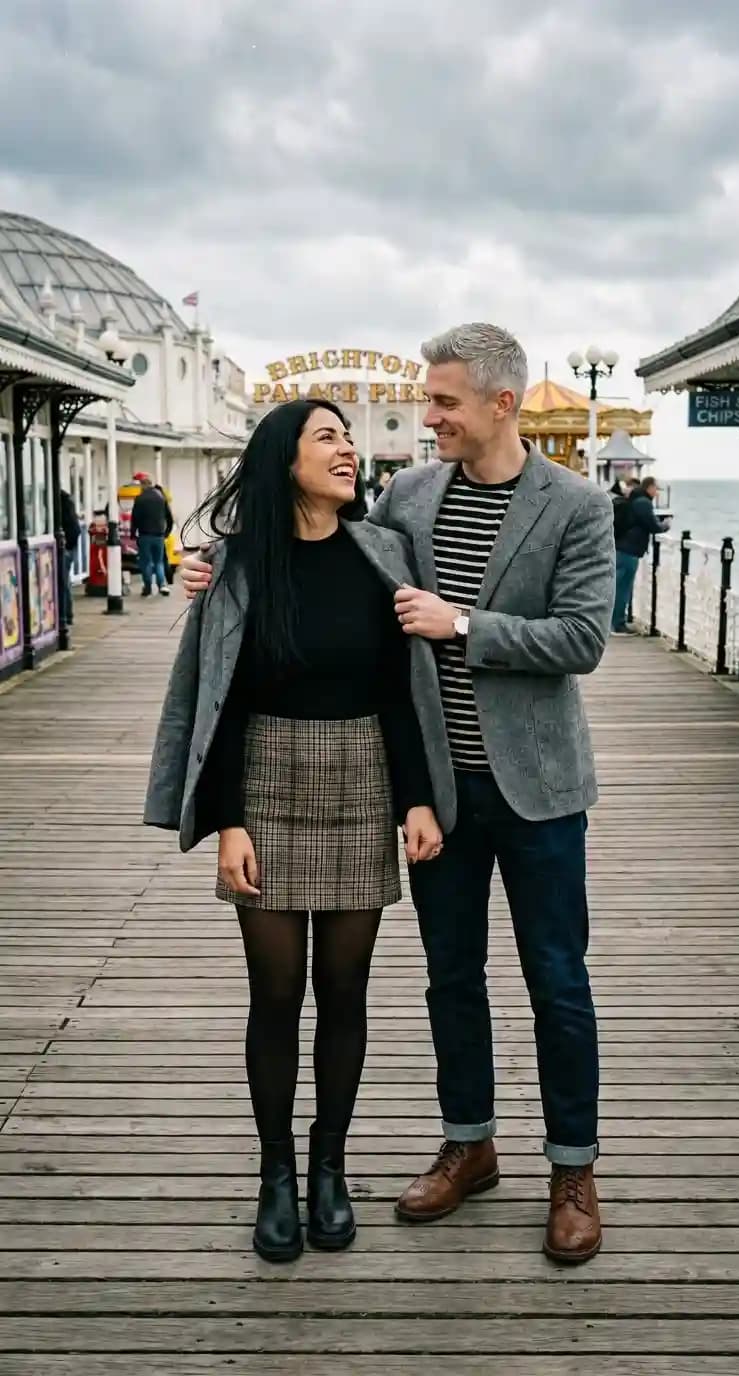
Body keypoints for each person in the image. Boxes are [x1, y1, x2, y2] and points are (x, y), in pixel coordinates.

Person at [180, 323, 615, 1264]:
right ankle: (469, 1144)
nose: (428, 419)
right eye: (427, 401)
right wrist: (212, 571)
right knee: (449, 976)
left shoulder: (577, 505)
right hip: (432, 789)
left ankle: (573, 1169)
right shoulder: (411, 497)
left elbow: (583, 638)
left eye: (445, 402)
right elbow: (315, 554)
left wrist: (462, 621)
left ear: (502, 403)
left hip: (537, 785)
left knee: (558, 980)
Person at [144, 400, 443, 1264]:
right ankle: (275, 1172)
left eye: (349, 439)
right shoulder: (237, 565)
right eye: (328, 438)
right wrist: (229, 820)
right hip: (266, 779)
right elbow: (223, 697)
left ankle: (328, 1168)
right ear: (286, 461)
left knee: (345, 991)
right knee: (276, 993)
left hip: (363, 778)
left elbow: (402, 689)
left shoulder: (383, 552)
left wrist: (418, 800)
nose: (349, 449)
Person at [612, 475, 669, 633]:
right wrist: (665, 525)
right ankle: (618, 623)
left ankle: (615, 621)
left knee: (619, 586)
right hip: (629, 551)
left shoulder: (635, 500)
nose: (657, 492)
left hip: (622, 548)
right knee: (623, 587)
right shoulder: (643, 503)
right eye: (656, 488)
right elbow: (653, 525)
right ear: (649, 487)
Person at [130, 475, 172, 597]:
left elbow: (135, 518)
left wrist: (133, 533)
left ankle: (147, 587)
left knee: (146, 562)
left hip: (144, 535)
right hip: (159, 535)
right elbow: (169, 517)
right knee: (159, 562)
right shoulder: (161, 497)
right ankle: (162, 585)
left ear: (143, 485)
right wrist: (167, 532)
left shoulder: (139, 498)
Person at [59, 489, 81, 625]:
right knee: (65, 581)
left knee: (63, 582)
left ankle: (66, 614)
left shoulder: (62, 507)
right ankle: (67, 614)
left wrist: (66, 547)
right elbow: (76, 530)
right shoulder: (69, 504)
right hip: (70, 547)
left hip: (66, 548)